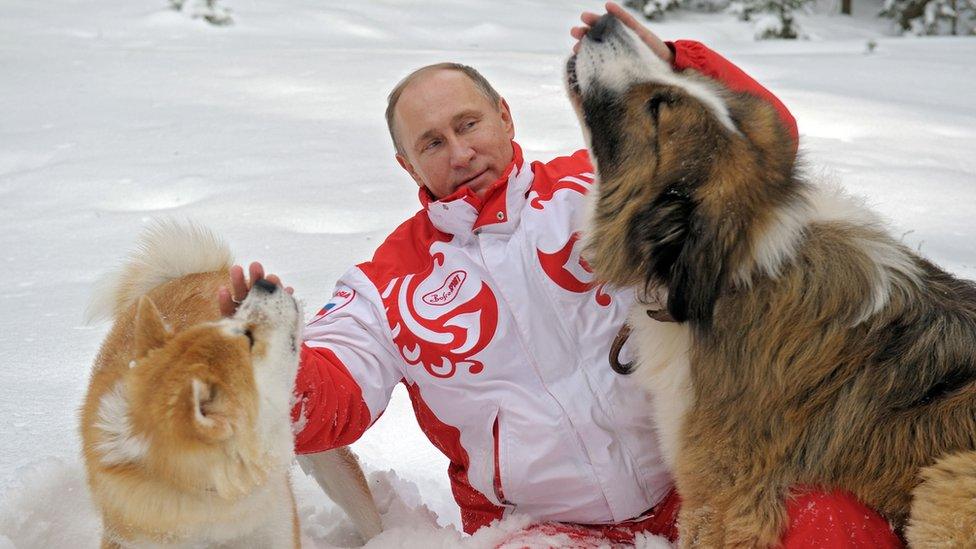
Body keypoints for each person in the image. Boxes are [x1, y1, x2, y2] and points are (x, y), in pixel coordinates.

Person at [219, 3, 902, 546]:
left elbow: (756, 151)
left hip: (700, 485)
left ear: (505, 117)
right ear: (407, 165)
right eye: (432, 142)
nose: (459, 152)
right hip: (543, 529)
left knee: (832, 525)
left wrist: (670, 63)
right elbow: (329, 404)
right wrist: (259, 362)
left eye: (469, 123)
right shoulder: (386, 286)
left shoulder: (599, 189)